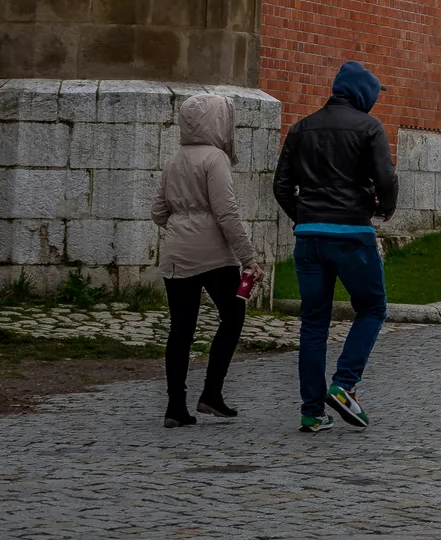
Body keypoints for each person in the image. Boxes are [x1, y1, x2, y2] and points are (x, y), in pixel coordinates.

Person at [274, 60, 397, 434]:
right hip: (352, 235)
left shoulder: (300, 128)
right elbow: (386, 179)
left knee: (313, 323)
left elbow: (281, 186)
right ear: (364, 94)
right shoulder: (369, 127)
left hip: (309, 238)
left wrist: (304, 216)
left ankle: (311, 412)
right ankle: (344, 384)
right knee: (372, 308)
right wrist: (384, 209)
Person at [151, 92, 258, 427]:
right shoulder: (215, 159)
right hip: (214, 257)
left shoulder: (173, 160)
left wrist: (183, 219)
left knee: (181, 329)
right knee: (232, 316)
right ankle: (211, 392)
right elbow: (227, 212)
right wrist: (249, 258)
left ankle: (175, 407)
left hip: (176, 254)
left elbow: (157, 212)